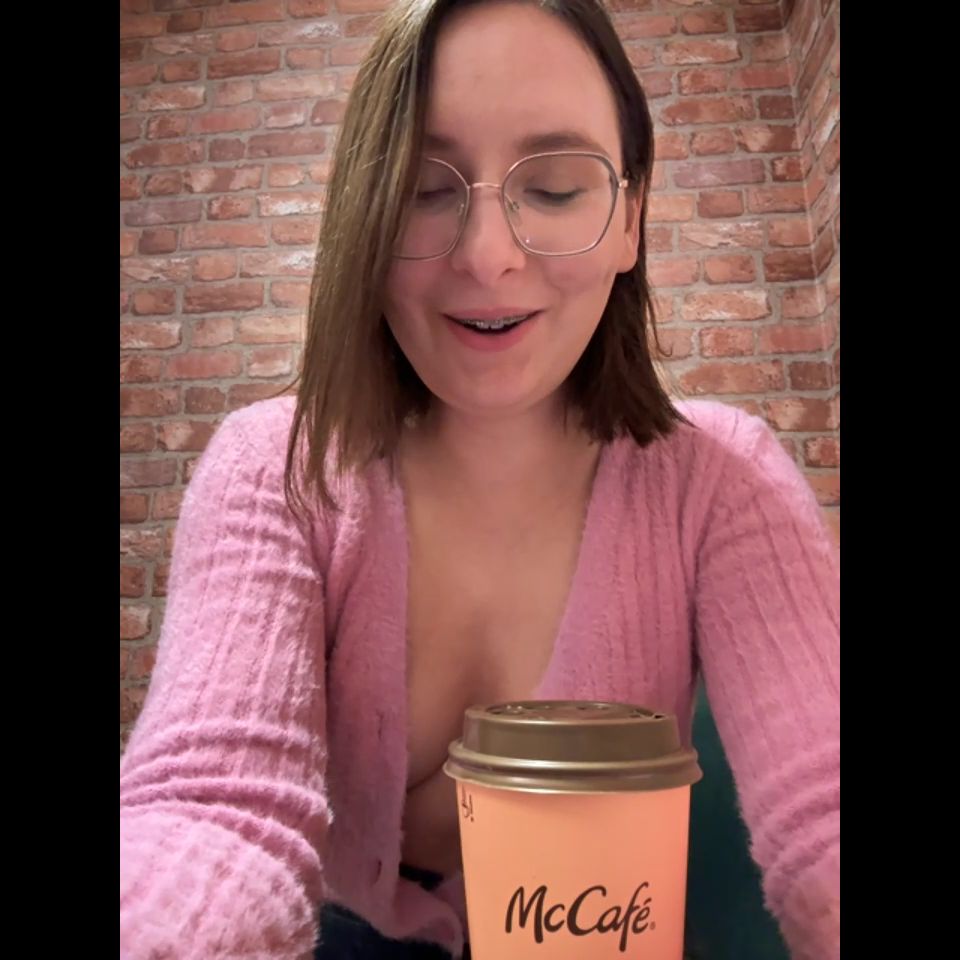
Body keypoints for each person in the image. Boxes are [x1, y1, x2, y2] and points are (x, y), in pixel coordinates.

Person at [119, 1, 840, 958]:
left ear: (629, 220)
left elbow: (826, 808)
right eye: (424, 189)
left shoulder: (722, 478)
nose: (488, 255)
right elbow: (213, 815)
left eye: (555, 187)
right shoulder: (275, 467)